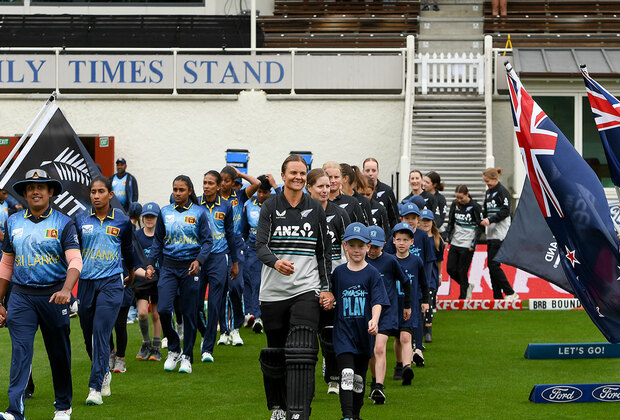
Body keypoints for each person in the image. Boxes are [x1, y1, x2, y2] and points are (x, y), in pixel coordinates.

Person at [0, 169, 82, 420]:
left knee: (58, 352)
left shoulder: (64, 223)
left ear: (50, 192)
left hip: (54, 295)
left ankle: (63, 406)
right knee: (21, 352)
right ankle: (15, 411)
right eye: (30, 188)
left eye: (41, 187)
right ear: (24, 194)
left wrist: (67, 290)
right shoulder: (13, 221)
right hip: (21, 296)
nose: (35, 191)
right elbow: (6, 264)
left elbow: (75, 260)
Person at [256, 154, 333, 420]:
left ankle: (299, 412)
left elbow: (323, 253)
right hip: (272, 293)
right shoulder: (270, 206)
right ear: (284, 175)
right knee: (276, 354)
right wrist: (276, 263)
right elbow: (260, 246)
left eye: (303, 173)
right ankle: (279, 406)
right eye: (293, 173)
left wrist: (326, 288)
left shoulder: (315, 209)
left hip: (306, 290)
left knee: (302, 350)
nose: (298, 177)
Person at [74, 175, 135, 405]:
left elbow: (128, 249)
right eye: (92, 191)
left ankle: (95, 388)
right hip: (86, 283)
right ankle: (104, 372)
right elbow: (72, 251)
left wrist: (130, 272)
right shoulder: (80, 219)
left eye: (101, 191)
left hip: (111, 282)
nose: (96, 196)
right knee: (89, 337)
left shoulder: (121, 220)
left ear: (111, 194)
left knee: (100, 333)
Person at [145, 175, 212, 374]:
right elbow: (157, 241)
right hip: (168, 267)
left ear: (190, 191)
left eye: (181, 190)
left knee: (190, 313)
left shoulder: (199, 213)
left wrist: (199, 260)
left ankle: (187, 357)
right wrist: (150, 264)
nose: (177, 193)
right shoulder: (164, 212)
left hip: (191, 268)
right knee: (163, 309)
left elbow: (208, 242)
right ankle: (174, 348)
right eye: (175, 189)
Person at [332, 223, 388, 420]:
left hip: (364, 334)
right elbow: (330, 297)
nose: (357, 250)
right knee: (346, 373)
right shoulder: (338, 273)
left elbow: (377, 300)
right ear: (345, 245)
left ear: (368, 246)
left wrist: (374, 320)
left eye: (361, 245)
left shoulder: (372, 273)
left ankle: (356, 414)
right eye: (352, 245)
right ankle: (346, 415)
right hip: (343, 333)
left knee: (358, 378)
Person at [306, 168, 350, 395]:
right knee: (310, 330)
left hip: (333, 279)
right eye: (320, 186)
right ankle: (306, 378)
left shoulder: (339, 214)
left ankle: (333, 377)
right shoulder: (302, 213)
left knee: (331, 331)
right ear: (309, 188)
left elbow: (347, 248)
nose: (325, 190)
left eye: (327, 186)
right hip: (307, 279)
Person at [197, 170, 239, 363]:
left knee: (214, 304)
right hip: (198, 259)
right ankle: (205, 333)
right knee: (195, 305)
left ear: (219, 186)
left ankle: (207, 348)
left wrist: (235, 262)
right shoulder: (195, 204)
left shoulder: (226, 206)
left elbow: (230, 234)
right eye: (204, 182)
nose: (206, 186)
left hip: (219, 259)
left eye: (210, 183)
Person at [366, 226, 410, 404]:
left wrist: (407, 306)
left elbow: (405, 281)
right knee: (370, 351)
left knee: (379, 348)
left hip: (387, 311)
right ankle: (374, 381)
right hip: (366, 311)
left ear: (384, 244)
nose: (373, 250)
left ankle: (379, 386)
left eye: (377, 246)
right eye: (370, 246)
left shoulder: (390, 261)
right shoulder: (360, 260)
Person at [217, 166, 260, 345]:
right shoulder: (215, 199)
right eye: (223, 180)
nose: (225, 184)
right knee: (220, 289)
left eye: (229, 180)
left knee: (236, 287)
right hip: (219, 246)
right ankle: (224, 331)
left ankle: (236, 328)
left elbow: (257, 183)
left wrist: (240, 174)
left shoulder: (240, 196)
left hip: (236, 244)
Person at [393, 222, 429, 372]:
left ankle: (407, 368)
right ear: (393, 240)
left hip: (410, 305)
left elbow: (424, 282)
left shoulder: (416, 261)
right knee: (397, 338)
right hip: (393, 306)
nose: (402, 243)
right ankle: (399, 365)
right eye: (399, 239)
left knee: (406, 338)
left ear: (412, 242)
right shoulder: (389, 260)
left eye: (406, 240)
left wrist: (425, 301)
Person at [243, 174, 277, 333]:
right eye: (259, 192)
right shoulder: (249, 205)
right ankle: (255, 316)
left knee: (269, 283)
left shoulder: (276, 204)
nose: (262, 195)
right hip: (252, 248)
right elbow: (244, 229)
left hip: (272, 249)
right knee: (253, 281)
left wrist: (276, 185)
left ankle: (264, 316)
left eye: (266, 192)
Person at [481, 168, 518, 300]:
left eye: (488, 181)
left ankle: (510, 292)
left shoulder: (503, 192)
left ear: (495, 179)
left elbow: (505, 211)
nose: (487, 184)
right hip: (491, 234)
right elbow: (485, 210)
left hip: (501, 234)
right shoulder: (488, 193)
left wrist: (490, 220)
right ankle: (497, 297)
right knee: (491, 267)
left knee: (493, 265)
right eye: (485, 181)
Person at [133, 202, 163, 362]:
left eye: (152, 217)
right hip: (143, 280)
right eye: (146, 217)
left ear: (158, 218)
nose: (149, 219)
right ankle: (146, 343)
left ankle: (156, 347)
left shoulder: (161, 236)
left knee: (157, 315)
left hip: (159, 280)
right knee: (143, 313)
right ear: (142, 218)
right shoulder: (137, 236)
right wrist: (144, 273)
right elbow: (134, 259)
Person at [445, 185, 483, 300]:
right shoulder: (455, 204)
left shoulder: (475, 206)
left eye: (461, 198)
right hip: (456, 242)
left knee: (462, 271)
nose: (459, 200)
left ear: (468, 194)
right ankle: (467, 286)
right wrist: (447, 238)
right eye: (457, 198)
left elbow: (480, 226)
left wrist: (474, 243)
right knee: (450, 269)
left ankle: (463, 297)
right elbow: (451, 222)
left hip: (467, 244)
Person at [419, 209, 444, 343]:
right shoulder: (416, 237)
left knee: (429, 302)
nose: (425, 223)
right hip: (419, 274)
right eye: (423, 220)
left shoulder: (437, 240)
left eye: (428, 221)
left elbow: (439, 261)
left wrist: (439, 276)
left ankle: (428, 330)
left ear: (432, 222)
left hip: (432, 276)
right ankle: (421, 328)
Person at [323, 161, 366, 225]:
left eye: (336, 177)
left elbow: (360, 228)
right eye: (329, 177)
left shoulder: (352, 202)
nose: (333, 181)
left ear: (342, 179)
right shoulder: (318, 202)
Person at [363, 157, 399, 228]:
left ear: (378, 171)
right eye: (367, 170)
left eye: (373, 170)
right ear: (363, 171)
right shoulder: (357, 190)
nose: (370, 173)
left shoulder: (387, 190)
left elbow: (394, 218)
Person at [360, 175, 390, 239]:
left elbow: (385, 233)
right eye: (362, 194)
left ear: (373, 190)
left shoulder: (380, 209)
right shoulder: (354, 207)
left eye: (368, 194)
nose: (365, 198)